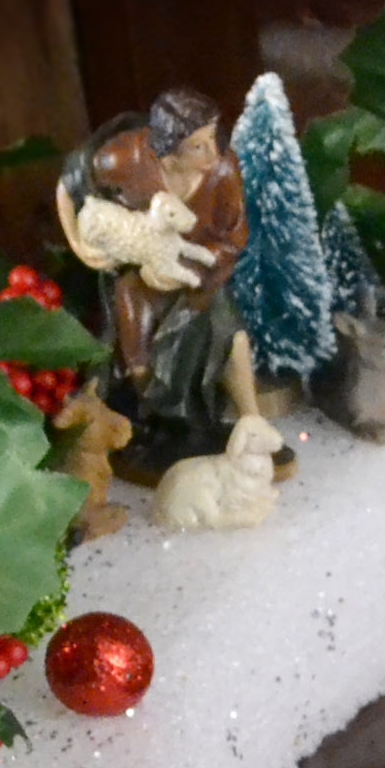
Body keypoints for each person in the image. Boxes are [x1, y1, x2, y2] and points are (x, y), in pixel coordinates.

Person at [56, 84, 255, 475]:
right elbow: (68, 184)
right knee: (136, 335)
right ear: (168, 148)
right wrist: (78, 244)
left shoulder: (223, 171)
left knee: (225, 327)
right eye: (198, 146)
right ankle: (155, 418)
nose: (212, 154)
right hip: (138, 271)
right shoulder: (126, 158)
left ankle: (249, 421)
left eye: (213, 139)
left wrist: (195, 272)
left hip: (198, 273)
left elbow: (233, 239)